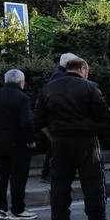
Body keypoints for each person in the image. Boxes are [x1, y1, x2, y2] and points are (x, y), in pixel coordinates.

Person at [35, 57, 110, 220]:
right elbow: (103, 113)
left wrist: (52, 135)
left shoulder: (48, 88)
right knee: (93, 179)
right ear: (83, 69)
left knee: (59, 181)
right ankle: (96, 218)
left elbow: (38, 119)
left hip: (60, 139)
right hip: (86, 138)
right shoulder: (90, 87)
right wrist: (93, 126)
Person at [0, 69, 39, 220]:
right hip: (19, 142)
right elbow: (27, 122)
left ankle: (0, 209)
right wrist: (30, 140)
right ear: (20, 82)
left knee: (1, 175)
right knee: (18, 176)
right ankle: (18, 209)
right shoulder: (22, 98)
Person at [37, 52, 77, 184]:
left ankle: (50, 172)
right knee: (55, 146)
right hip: (58, 117)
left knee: (56, 145)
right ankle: (48, 172)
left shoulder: (57, 75)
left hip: (54, 116)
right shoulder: (61, 76)